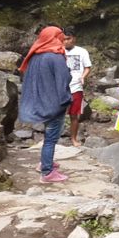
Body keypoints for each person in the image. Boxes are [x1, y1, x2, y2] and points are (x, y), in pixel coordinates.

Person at [19, 26, 72, 183]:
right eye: (60, 38)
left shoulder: (35, 55)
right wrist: (66, 100)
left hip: (39, 102)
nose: (62, 41)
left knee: (48, 136)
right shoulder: (56, 57)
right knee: (51, 138)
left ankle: (45, 162)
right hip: (54, 104)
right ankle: (47, 171)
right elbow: (64, 80)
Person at [63, 27, 92, 147]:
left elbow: (87, 67)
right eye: (63, 39)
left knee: (74, 114)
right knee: (54, 113)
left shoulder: (82, 51)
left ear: (74, 39)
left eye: (68, 39)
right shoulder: (58, 51)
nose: (66, 42)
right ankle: (50, 138)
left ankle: (73, 139)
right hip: (61, 86)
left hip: (76, 86)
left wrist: (83, 77)